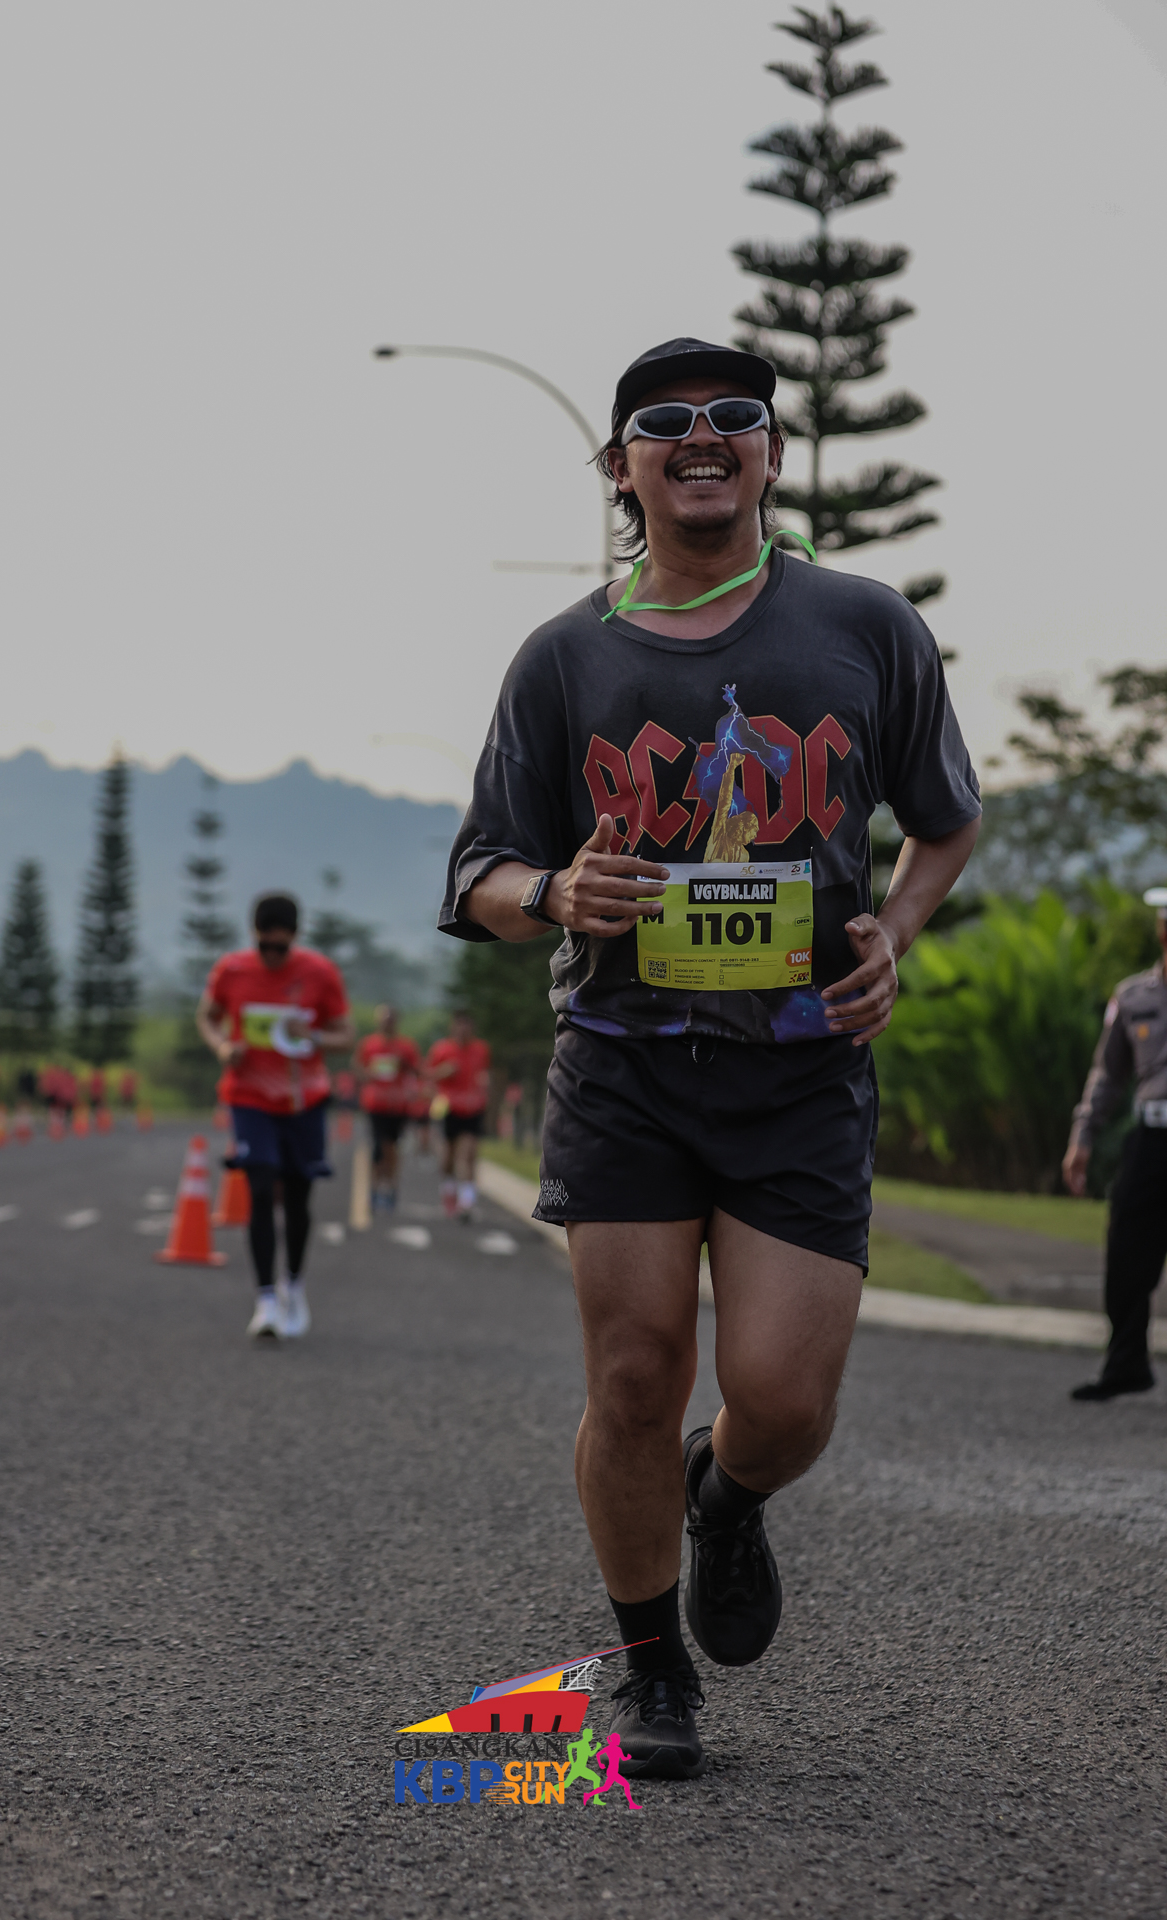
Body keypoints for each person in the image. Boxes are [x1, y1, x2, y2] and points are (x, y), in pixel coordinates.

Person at [439, 336, 981, 1779]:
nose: (700, 434)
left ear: (771, 454)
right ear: (620, 467)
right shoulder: (563, 656)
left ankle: (725, 1496)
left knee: (783, 1401)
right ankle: (649, 1668)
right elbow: (481, 874)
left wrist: (891, 935)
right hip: (622, 1062)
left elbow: (944, 819)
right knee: (633, 1374)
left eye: (733, 414)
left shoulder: (863, 626)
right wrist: (557, 890)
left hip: (800, 1069)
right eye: (661, 421)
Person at [197, 892, 354, 1340]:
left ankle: (294, 1286)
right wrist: (223, 1047)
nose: (271, 955)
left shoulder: (319, 972)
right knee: (261, 1187)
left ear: (295, 938)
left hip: (304, 1100)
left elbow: (346, 1035)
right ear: (253, 935)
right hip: (249, 1098)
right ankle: (265, 1300)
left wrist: (315, 1035)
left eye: (280, 947)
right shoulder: (231, 970)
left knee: (299, 1198)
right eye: (264, 945)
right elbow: (207, 1016)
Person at [1064, 887, 1167, 1401]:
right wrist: (1083, 1136)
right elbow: (1107, 1075)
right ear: (1161, 929)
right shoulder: (1132, 998)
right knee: (1127, 1250)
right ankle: (1126, 1363)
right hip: (1151, 1137)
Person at [354, 1005, 421, 1212]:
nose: (387, 1023)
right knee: (378, 1146)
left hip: (398, 1105)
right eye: (384, 1020)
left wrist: (405, 1065)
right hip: (375, 1104)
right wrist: (367, 1073)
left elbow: (417, 1070)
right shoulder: (369, 1044)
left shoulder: (406, 1046)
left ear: (396, 1022)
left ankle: (391, 1187)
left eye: (390, 1020)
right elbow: (357, 1067)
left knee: (392, 1148)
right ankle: (375, 1189)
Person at [427, 1010, 490, 1219]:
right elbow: (427, 1077)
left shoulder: (481, 1049)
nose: (463, 1029)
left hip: (473, 1107)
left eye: (467, 1025)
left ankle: (467, 1202)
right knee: (448, 1156)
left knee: (469, 1153)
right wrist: (443, 1072)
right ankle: (449, 1191)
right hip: (448, 1107)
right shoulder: (441, 1049)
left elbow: (484, 1074)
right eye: (459, 1025)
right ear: (453, 1027)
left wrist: (485, 1088)